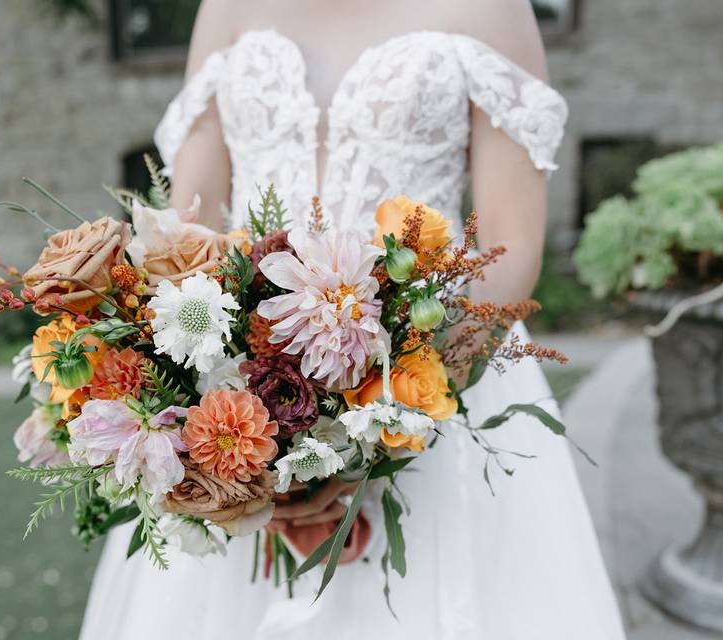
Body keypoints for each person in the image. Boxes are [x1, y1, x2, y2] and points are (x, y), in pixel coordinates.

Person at [80, 1, 627, 637]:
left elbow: (513, 247)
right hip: (241, 383)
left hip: (433, 379)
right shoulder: (226, 7)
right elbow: (186, 232)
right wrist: (242, 441)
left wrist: (369, 434)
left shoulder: (491, 9)